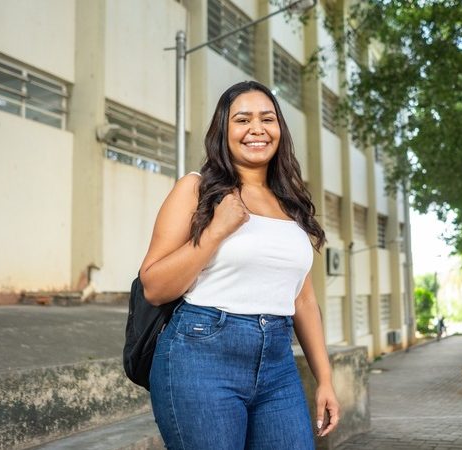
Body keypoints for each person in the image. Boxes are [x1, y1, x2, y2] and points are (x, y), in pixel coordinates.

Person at [139, 80, 340, 449]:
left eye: (267, 119)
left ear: (280, 129)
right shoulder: (196, 189)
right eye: (242, 120)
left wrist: (324, 378)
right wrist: (216, 231)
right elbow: (153, 285)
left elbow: (303, 301)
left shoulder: (289, 201)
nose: (257, 129)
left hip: (277, 362)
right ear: (223, 131)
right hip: (201, 354)